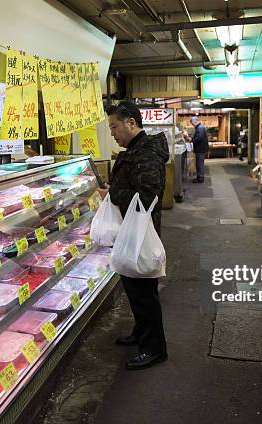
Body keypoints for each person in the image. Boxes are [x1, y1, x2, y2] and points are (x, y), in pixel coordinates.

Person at [98, 101, 169, 370]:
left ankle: (155, 348)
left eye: (115, 126)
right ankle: (141, 333)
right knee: (134, 287)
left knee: (144, 292)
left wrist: (112, 193)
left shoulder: (147, 153)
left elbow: (147, 196)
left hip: (141, 231)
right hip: (132, 230)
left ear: (131, 123)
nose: (113, 133)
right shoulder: (136, 150)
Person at [190, 116, 208, 183]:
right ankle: (199, 177)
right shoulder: (200, 127)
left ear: (195, 121)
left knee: (199, 163)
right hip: (201, 149)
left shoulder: (200, 128)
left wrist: (192, 140)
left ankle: (200, 178)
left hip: (200, 149)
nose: (192, 125)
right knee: (199, 163)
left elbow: (199, 138)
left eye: (192, 123)